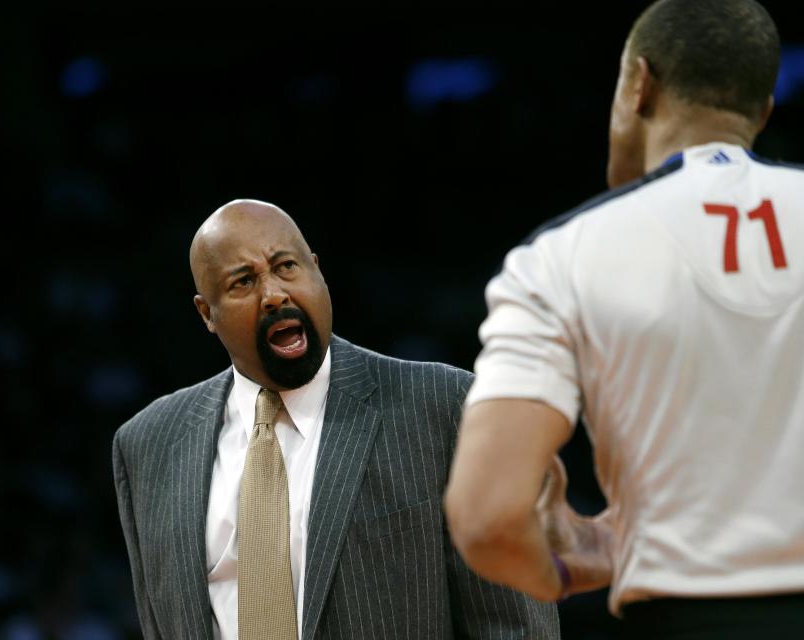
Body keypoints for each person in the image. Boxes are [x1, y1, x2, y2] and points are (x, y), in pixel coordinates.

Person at [443, 0, 804, 638]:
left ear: (639, 85)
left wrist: (567, 567)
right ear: (762, 111)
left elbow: (486, 516)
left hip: (684, 619)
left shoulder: (559, 256)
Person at [112, 199, 559, 639]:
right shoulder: (149, 446)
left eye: (286, 266)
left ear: (317, 271)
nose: (274, 294)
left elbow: (513, 626)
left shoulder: (444, 407)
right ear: (206, 313)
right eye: (244, 281)